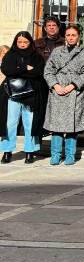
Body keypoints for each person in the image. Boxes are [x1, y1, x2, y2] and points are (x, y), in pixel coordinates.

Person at [43, 25, 84, 166]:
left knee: (72, 127)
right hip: (57, 91)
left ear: (78, 37)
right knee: (56, 126)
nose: (71, 37)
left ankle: (70, 155)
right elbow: (48, 71)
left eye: (73, 35)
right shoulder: (57, 51)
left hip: (75, 92)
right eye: (68, 35)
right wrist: (55, 85)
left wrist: (73, 85)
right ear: (65, 37)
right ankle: (56, 155)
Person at [0, 32, 46, 164]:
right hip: (12, 94)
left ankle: (29, 152)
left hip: (31, 95)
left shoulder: (36, 56)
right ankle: (7, 151)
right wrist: (25, 68)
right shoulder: (11, 55)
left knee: (29, 124)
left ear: (30, 42)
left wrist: (18, 70)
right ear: (16, 42)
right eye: (19, 42)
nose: (22, 45)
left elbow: (38, 72)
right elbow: (7, 70)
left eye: (25, 42)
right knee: (10, 123)